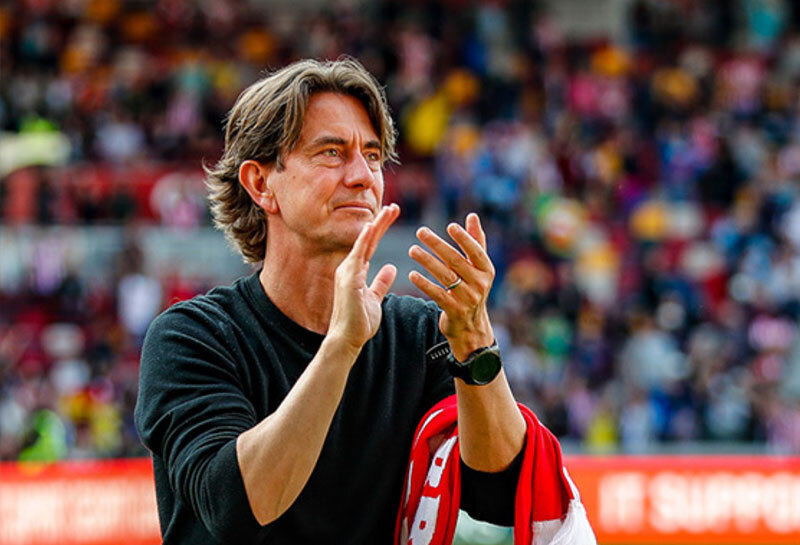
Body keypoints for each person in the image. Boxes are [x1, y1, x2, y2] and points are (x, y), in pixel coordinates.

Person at [135, 58, 527, 544]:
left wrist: (476, 344)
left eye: (373, 154)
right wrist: (340, 348)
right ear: (261, 184)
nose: (364, 176)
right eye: (331, 153)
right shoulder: (192, 337)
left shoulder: (421, 333)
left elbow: (501, 497)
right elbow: (237, 507)